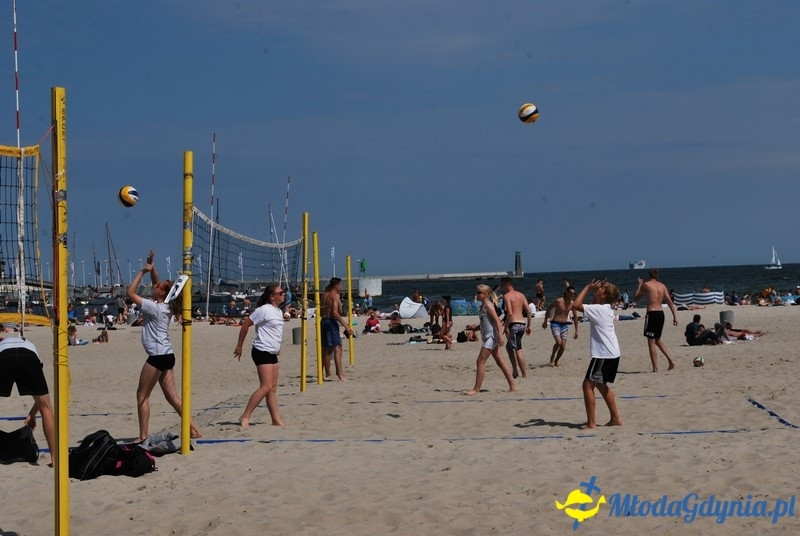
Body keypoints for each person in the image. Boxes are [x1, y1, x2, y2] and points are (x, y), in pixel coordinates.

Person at [127, 250, 201, 442]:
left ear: (161, 292)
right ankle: (194, 429)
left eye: (158, 286)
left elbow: (130, 293)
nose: (154, 286)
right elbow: (157, 284)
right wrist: (152, 268)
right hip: (167, 355)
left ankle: (143, 436)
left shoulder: (155, 307)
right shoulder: (166, 306)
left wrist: (143, 271)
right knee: (172, 397)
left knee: (141, 396)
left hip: (158, 357)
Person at [572, 279, 622, 429]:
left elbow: (575, 305)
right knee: (601, 385)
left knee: (587, 385)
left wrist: (587, 287)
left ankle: (591, 423)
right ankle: (615, 419)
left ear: (604, 295)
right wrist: (598, 290)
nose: (597, 289)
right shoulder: (604, 308)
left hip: (604, 354)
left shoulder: (599, 310)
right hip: (612, 353)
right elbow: (590, 302)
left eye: (600, 289)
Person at [233, 283, 285, 427]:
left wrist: (277, 347)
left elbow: (275, 333)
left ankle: (276, 419)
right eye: (280, 293)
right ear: (272, 296)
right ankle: (245, 416)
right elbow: (245, 325)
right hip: (261, 350)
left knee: (273, 387)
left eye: (283, 293)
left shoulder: (278, 311)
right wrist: (239, 345)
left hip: (272, 351)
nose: (283, 295)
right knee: (266, 386)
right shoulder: (264, 310)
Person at [0, 335, 57, 466]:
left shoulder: (3, 343)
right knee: (46, 407)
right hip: (28, 357)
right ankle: (55, 458)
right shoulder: (28, 343)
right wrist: (32, 413)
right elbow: (39, 395)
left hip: (4, 356)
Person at [465, 285, 518, 396]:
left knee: (480, 362)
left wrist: (500, 336)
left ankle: (476, 389)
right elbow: (486, 323)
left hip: (491, 337)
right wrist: (475, 328)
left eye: (479, 292)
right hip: (488, 336)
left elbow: (497, 322)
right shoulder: (483, 306)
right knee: (501, 362)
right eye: (477, 292)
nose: (477, 294)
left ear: (486, 294)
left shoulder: (489, 305)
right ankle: (513, 386)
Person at [634, 268, 678, 372]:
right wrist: (675, 316)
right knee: (657, 339)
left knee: (651, 341)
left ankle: (655, 368)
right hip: (661, 314)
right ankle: (671, 360)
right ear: (657, 276)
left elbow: (636, 298)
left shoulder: (646, 285)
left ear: (649, 275)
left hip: (652, 313)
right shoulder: (662, 286)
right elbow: (670, 302)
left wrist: (640, 284)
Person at [320, 277, 352, 381]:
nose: (341, 287)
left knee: (326, 348)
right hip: (331, 321)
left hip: (323, 321)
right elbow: (335, 312)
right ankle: (340, 375)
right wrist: (346, 325)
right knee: (337, 348)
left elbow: (322, 311)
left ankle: (327, 373)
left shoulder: (324, 295)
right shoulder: (335, 295)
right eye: (340, 285)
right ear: (337, 285)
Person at [500, 277, 531, 379]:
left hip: (514, 324)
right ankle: (515, 370)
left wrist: (506, 327)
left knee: (518, 349)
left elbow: (509, 313)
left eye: (502, 285)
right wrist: (529, 325)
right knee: (509, 347)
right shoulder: (521, 295)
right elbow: (528, 312)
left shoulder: (507, 296)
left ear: (506, 284)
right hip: (522, 324)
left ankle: (524, 375)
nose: (502, 288)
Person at [542, 286, 579, 367]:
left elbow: (575, 317)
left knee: (563, 346)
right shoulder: (559, 301)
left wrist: (576, 330)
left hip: (564, 325)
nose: (572, 295)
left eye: (573, 293)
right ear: (566, 292)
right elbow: (548, 309)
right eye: (571, 293)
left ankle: (556, 361)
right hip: (555, 323)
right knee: (558, 343)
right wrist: (545, 321)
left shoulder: (573, 303)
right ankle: (552, 356)